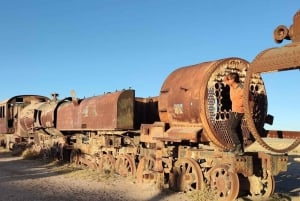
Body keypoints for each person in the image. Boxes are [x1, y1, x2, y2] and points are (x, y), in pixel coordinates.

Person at [223, 72, 244, 155]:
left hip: (239, 111)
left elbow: (250, 98)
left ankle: (238, 146)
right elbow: (224, 79)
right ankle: (239, 148)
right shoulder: (232, 86)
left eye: (229, 79)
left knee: (232, 128)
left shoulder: (242, 89)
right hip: (234, 110)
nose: (227, 80)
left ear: (233, 80)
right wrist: (227, 75)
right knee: (237, 129)